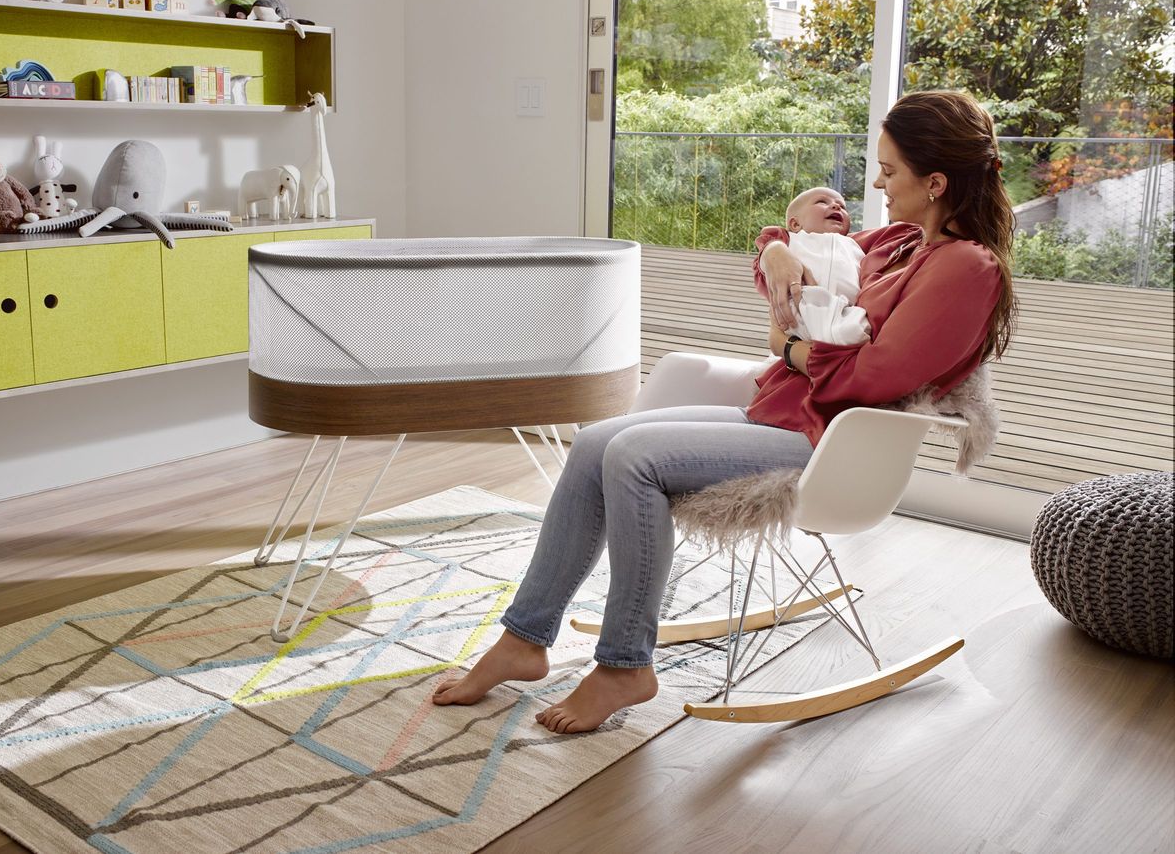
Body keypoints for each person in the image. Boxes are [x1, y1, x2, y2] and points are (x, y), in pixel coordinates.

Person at [432, 90, 1016, 733]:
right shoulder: (900, 241)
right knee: (598, 440)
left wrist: (790, 347)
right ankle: (525, 638)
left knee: (632, 460)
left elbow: (874, 379)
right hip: (785, 415)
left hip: (834, 444)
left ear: (934, 182)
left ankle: (626, 664)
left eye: (891, 170)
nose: (877, 181)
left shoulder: (966, 268)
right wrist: (776, 249)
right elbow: (799, 251)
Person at [773, 186, 871, 347]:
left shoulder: (854, 245)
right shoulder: (791, 241)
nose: (836, 206)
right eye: (822, 202)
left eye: (842, 206)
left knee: (857, 331)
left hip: (842, 312)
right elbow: (767, 238)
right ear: (795, 224)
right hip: (800, 310)